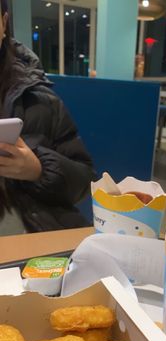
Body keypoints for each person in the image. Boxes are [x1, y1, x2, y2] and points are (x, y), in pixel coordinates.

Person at [0, 0, 96, 235]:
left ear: (3, 23)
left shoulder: (38, 98)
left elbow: (85, 182)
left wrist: (39, 169)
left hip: (30, 242)